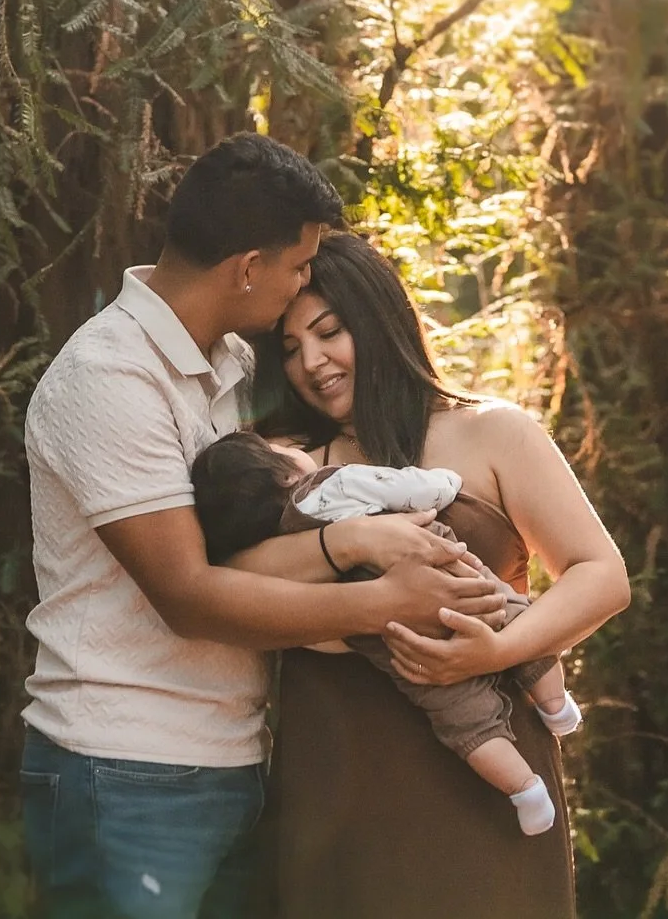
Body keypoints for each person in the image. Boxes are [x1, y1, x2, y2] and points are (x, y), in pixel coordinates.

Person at [19, 134, 507, 919]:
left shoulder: (234, 370)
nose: (306, 279)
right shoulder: (108, 376)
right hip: (122, 771)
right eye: (299, 263)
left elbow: (299, 496)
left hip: (236, 759)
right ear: (249, 268)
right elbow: (189, 595)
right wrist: (387, 597)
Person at [253, 231, 631, 919]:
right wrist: (353, 542)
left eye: (330, 331)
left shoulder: (493, 432)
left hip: (491, 778)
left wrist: (501, 650)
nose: (312, 361)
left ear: (377, 317)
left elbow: (601, 575)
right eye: (289, 347)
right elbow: (237, 581)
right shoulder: (286, 463)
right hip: (337, 781)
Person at [189, 432, 583, 835]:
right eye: (281, 452)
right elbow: (412, 489)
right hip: (454, 585)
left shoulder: (278, 545)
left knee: (463, 717)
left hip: (391, 638)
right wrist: (445, 483)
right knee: (517, 619)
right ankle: (555, 707)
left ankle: (524, 789)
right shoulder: (334, 483)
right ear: (287, 477)